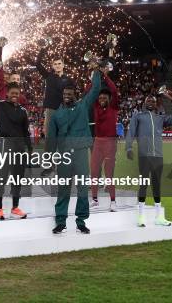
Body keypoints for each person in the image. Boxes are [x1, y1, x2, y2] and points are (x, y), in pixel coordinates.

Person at [48, 65, 102, 235]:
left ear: (75, 96)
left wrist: (96, 71)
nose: (66, 97)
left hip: (79, 153)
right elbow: (51, 139)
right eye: (64, 95)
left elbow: (96, 88)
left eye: (69, 94)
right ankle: (61, 221)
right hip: (64, 155)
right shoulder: (56, 115)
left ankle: (81, 221)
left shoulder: (83, 106)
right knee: (63, 189)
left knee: (82, 188)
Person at [125, 90, 172, 227]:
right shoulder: (138, 116)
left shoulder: (160, 118)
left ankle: (159, 217)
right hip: (144, 156)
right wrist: (128, 147)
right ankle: (141, 216)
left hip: (158, 156)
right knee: (144, 185)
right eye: (148, 100)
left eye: (153, 101)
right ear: (144, 103)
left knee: (157, 185)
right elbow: (131, 132)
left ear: (156, 104)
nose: (150, 102)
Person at [0, 81, 32, 220]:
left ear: (19, 95)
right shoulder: (2, 105)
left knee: (17, 179)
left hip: (19, 147)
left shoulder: (23, 111)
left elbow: (25, 132)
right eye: (12, 93)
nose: (14, 95)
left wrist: (29, 149)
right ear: (7, 94)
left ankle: (15, 208)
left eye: (17, 93)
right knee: (2, 177)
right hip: (5, 143)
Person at [87, 70, 120, 211]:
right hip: (98, 142)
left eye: (104, 98)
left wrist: (105, 76)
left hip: (110, 143)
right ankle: (94, 200)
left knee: (109, 173)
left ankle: (113, 201)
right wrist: (94, 78)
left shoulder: (113, 107)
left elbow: (114, 90)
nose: (101, 99)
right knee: (94, 171)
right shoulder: (95, 106)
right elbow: (90, 91)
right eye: (99, 97)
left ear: (109, 98)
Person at [34, 48, 72, 138]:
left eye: (59, 63)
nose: (57, 65)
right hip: (51, 110)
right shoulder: (48, 76)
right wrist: (43, 49)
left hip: (64, 110)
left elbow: (72, 96)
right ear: (52, 66)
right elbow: (37, 64)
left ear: (63, 65)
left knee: (63, 137)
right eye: (55, 64)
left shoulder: (69, 80)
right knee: (50, 138)